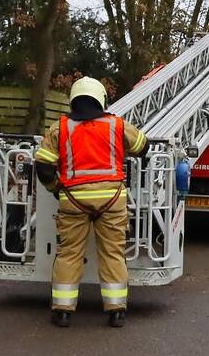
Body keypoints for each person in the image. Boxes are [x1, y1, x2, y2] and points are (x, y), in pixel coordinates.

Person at [34, 76, 149, 328]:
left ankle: (63, 311)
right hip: (112, 201)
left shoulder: (60, 128)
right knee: (113, 254)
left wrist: (56, 188)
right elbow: (143, 146)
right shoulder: (116, 125)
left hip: (73, 201)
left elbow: (43, 166)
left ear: (74, 99)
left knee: (68, 254)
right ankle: (116, 311)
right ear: (101, 98)